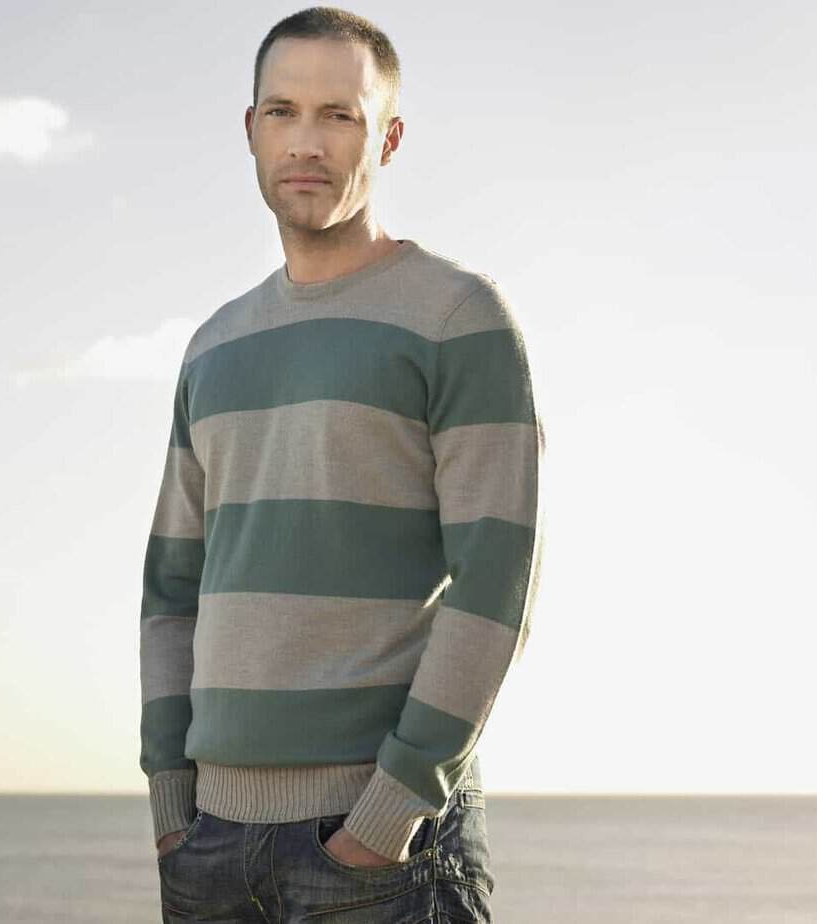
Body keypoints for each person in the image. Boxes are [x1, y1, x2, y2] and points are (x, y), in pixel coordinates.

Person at [138, 7, 541, 922]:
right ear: (250, 132)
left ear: (388, 137)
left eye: (340, 115)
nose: (306, 142)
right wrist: (172, 801)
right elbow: (172, 588)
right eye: (282, 112)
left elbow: (497, 583)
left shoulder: (457, 317)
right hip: (208, 846)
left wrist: (388, 813)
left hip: (375, 852)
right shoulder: (211, 346)